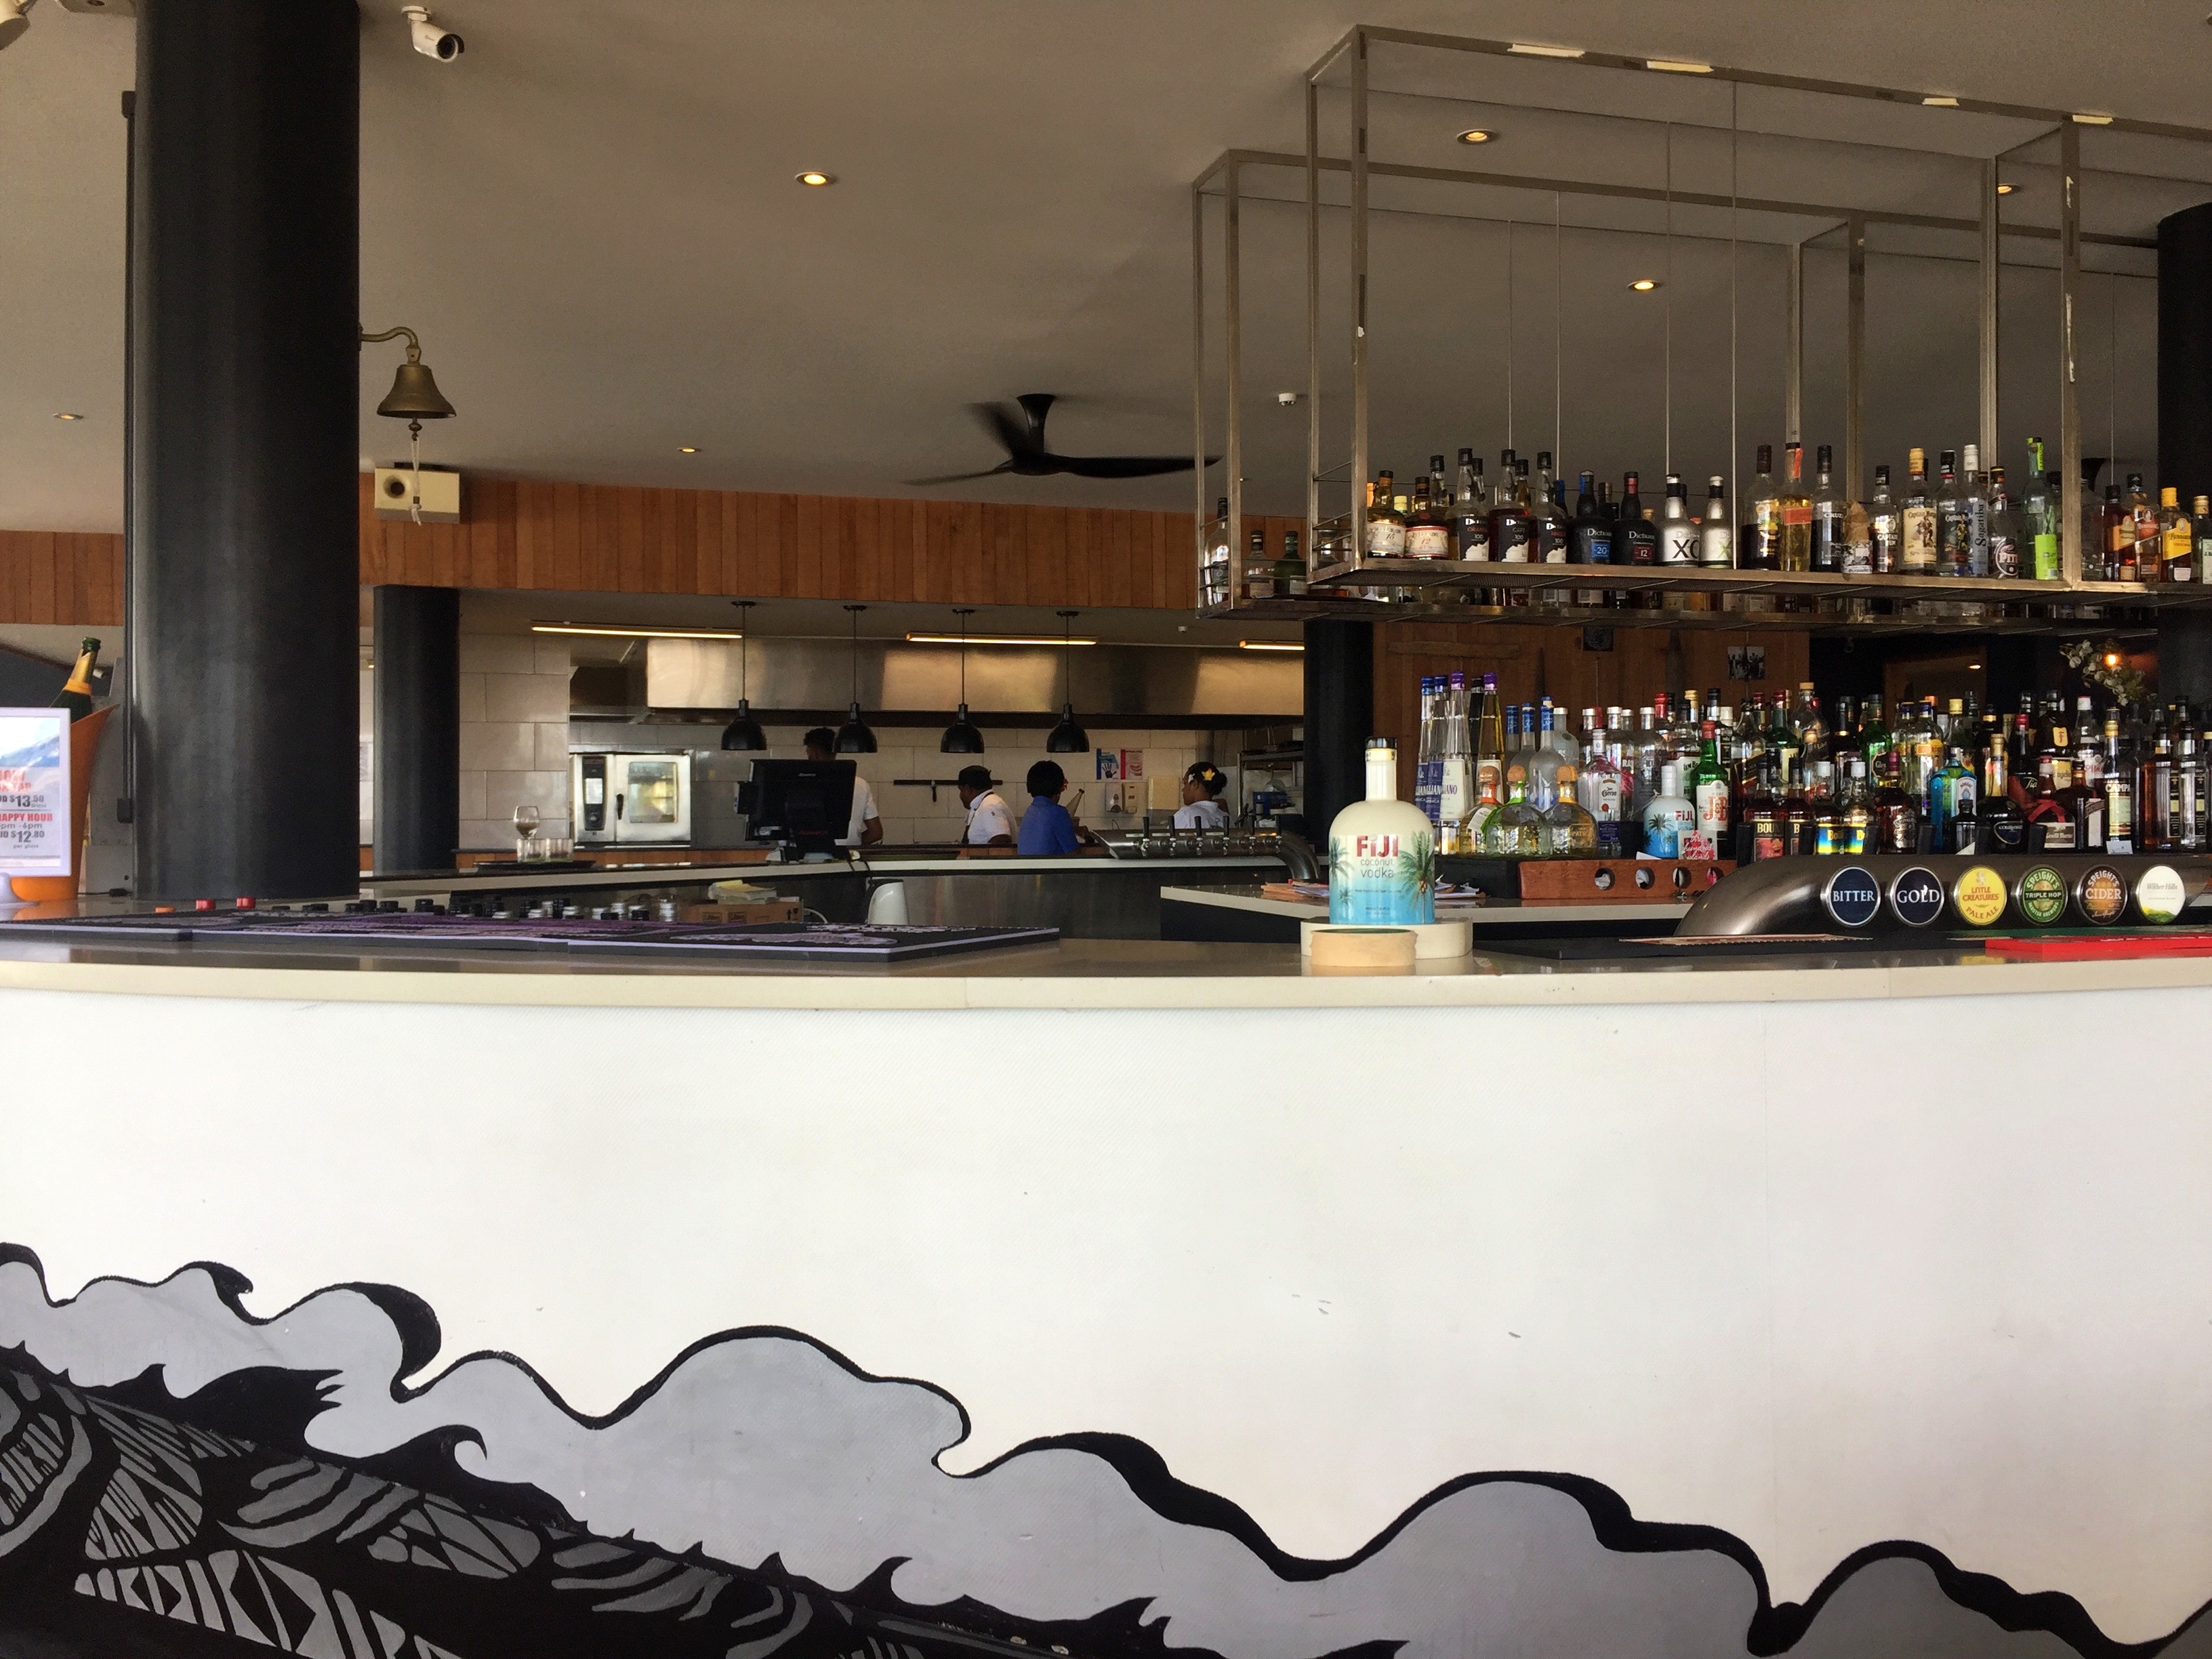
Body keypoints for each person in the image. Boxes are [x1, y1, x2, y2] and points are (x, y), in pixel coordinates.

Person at [804, 727, 882, 846]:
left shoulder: (803, 783)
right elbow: (875, 833)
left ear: (814, 751)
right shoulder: (860, 784)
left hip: (809, 853)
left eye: (808, 751)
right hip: (848, 855)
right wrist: (851, 844)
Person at [1016, 760, 1090, 855]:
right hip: (1049, 865)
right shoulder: (1058, 813)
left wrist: (1072, 829)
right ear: (1058, 788)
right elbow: (1073, 854)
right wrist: (1088, 839)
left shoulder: (1030, 811)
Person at [956, 764, 1014, 846]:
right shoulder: (985, 804)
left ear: (967, 789)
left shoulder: (989, 806)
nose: (960, 795)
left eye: (961, 790)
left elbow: (1002, 840)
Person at [1174, 761, 1231, 830]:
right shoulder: (1226, 818)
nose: (1183, 790)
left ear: (1195, 784)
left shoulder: (1186, 814)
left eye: (1185, 783)